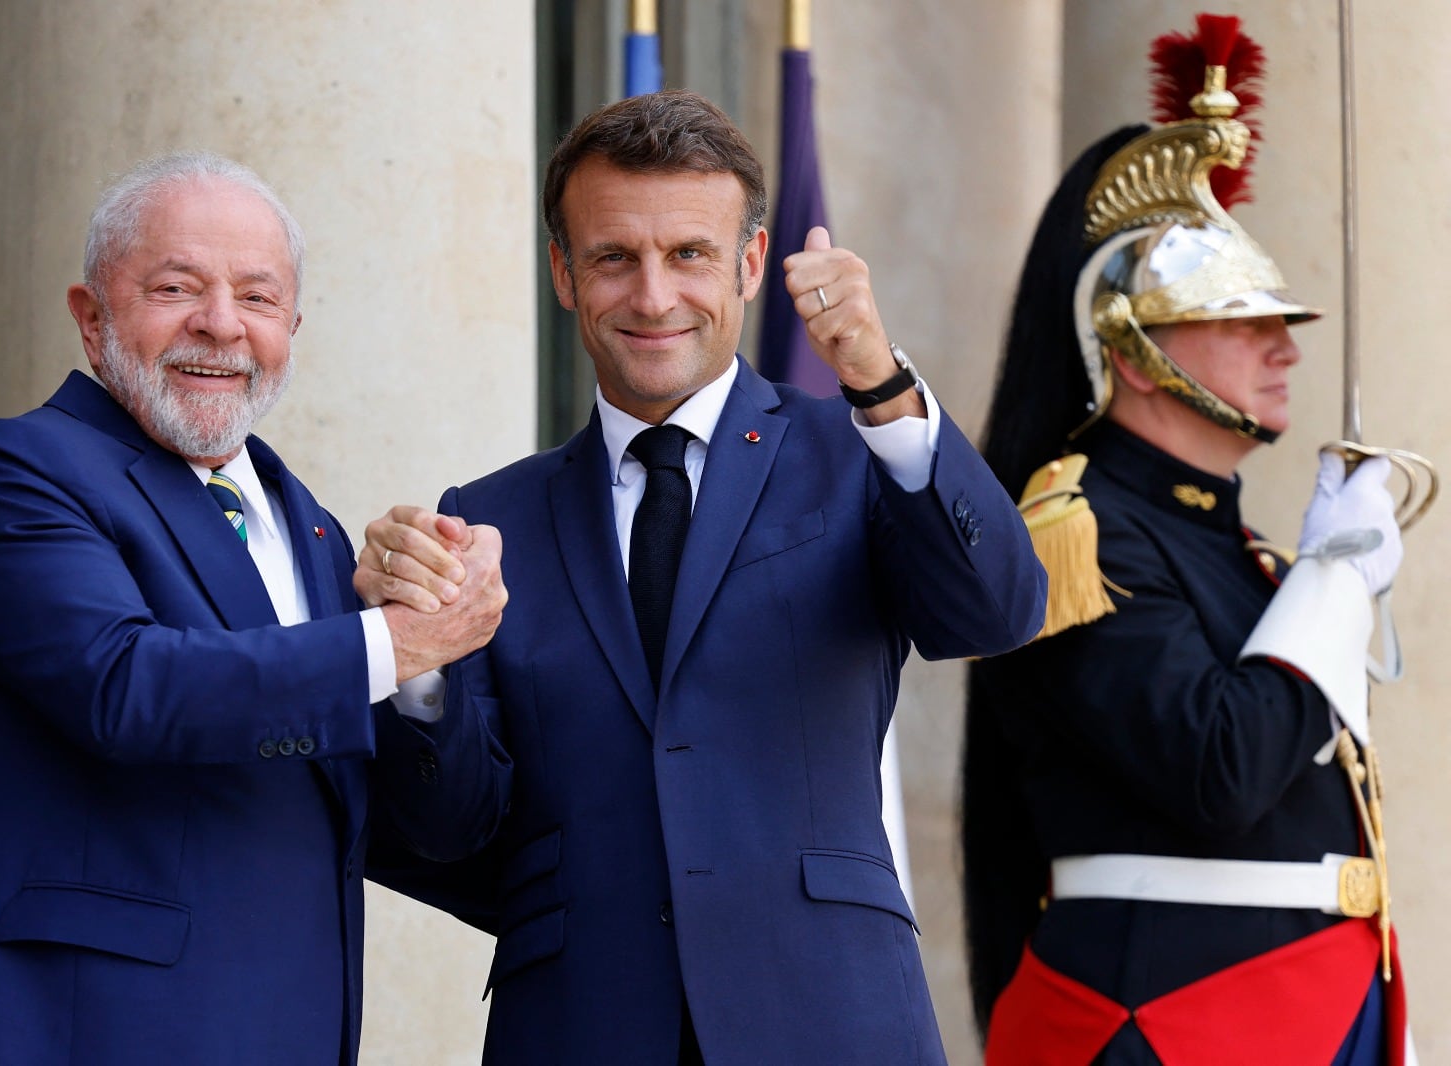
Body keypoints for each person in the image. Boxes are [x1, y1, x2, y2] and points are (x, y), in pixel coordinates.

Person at [355, 89, 1046, 1065]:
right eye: (613, 257)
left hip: (829, 1018)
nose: (651, 296)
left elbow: (999, 607)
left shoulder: (856, 453)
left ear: (750, 263)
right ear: (563, 271)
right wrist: (413, 660)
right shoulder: (485, 518)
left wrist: (883, 388)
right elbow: (445, 825)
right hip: (577, 1025)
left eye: (687, 254)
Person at [0, 152, 511, 1066]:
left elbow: (427, 833)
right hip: (58, 1031)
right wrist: (392, 641)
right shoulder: (7, 473)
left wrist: (426, 669)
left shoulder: (314, 532)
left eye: (256, 297)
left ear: (292, 324)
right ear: (91, 319)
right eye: (175, 287)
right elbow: (127, 687)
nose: (221, 326)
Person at [961, 15, 1410, 1065]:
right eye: (1238, 314)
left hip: (1302, 1000)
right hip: (1168, 1015)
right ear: (1129, 347)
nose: (1279, 343)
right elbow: (1220, 767)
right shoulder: (1074, 534)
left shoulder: (1228, 545)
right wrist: (1336, 582)